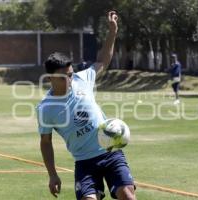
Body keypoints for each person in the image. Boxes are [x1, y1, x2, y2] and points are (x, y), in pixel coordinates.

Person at [36, 11, 136, 200]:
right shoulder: (46, 109)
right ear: (50, 78)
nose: (69, 79)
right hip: (84, 162)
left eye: (70, 74)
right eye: (63, 76)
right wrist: (52, 174)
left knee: (127, 196)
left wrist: (112, 32)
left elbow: (103, 61)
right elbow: (45, 142)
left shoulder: (82, 79)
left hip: (111, 152)